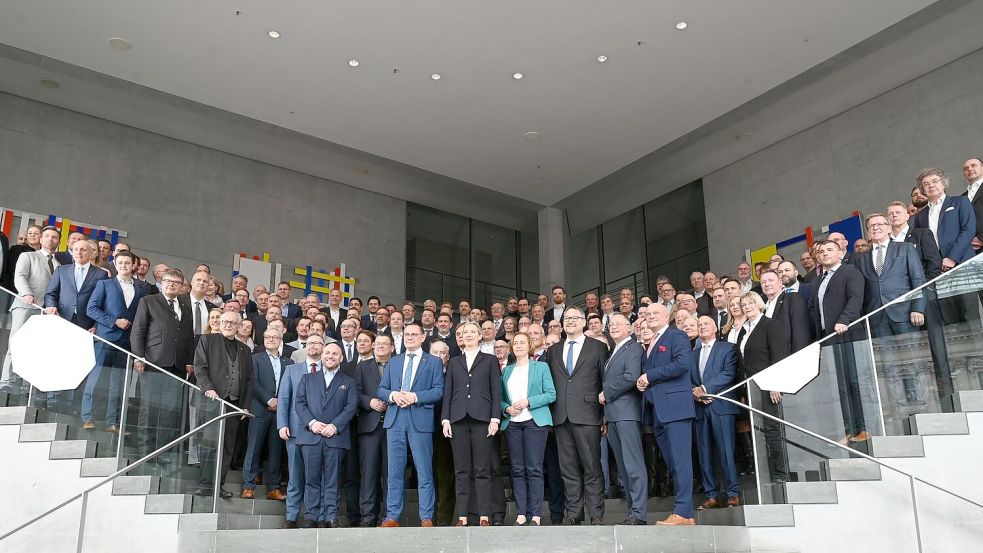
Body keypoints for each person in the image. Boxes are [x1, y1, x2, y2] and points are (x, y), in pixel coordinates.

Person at [377, 322, 445, 527]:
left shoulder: (433, 362)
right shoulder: (394, 362)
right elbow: (381, 390)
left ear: (423, 337)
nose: (410, 337)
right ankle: (392, 517)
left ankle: (426, 516)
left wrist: (415, 397)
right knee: (394, 472)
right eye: (407, 334)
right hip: (395, 419)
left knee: (424, 470)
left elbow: (438, 391)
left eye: (414, 334)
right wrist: (393, 395)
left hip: (420, 419)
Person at [546, 307, 608, 525]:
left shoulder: (598, 347)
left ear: (584, 322)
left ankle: (596, 513)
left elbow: (604, 383)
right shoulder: (553, 350)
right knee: (568, 468)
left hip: (588, 414)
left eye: (575, 318)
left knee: (592, 466)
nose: (570, 321)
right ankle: (573, 514)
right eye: (567, 319)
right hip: (561, 417)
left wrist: (604, 417)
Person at [635, 303, 696, 526]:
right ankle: (685, 513)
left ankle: (682, 512)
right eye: (647, 314)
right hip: (658, 410)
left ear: (666, 316)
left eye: (655, 313)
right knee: (673, 462)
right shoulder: (651, 341)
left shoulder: (676, 336)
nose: (650, 317)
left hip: (675, 408)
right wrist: (644, 383)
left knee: (680, 461)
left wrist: (649, 376)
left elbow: (682, 365)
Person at [441, 321, 502, 526]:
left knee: (482, 469)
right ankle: (463, 516)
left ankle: (484, 515)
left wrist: (495, 418)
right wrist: (445, 419)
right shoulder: (454, 362)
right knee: (461, 470)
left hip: (482, 419)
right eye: (464, 332)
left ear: (479, 336)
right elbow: (448, 392)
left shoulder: (490, 360)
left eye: (472, 332)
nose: (468, 335)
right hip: (457, 419)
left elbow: (496, 391)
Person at [130, 268, 194, 456]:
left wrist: (189, 361)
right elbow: (138, 331)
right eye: (168, 281)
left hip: (178, 366)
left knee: (170, 411)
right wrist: (138, 357)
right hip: (154, 362)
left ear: (182, 286)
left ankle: (162, 451)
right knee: (149, 408)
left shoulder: (186, 308)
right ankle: (145, 450)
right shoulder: (149, 301)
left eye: (176, 282)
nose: (172, 284)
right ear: (162, 282)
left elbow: (189, 337)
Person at [192, 310, 254, 498]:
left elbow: (250, 379)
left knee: (227, 447)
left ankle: (219, 484)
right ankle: (205, 485)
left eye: (232, 323)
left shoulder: (245, 350)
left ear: (238, 326)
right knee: (209, 444)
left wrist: (245, 405)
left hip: (233, 405)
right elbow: (200, 367)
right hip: (211, 401)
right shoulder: (207, 340)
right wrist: (208, 388)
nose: (228, 325)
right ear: (219, 323)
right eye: (225, 321)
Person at [809, 240, 867, 443]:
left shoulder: (850, 272)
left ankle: (864, 427)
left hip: (849, 334)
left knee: (855, 381)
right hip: (829, 339)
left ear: (841, 252)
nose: (825, 254)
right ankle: (850, 429)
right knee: (840, 386)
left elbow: (856, 297)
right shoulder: (816, 282)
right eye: (821, 251)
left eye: (829, 250)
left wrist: (844, 319)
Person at [294, 343, 357, 528]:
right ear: (322, 355)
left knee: (333, 480)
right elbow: (300, 403)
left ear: (341, 358)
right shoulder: (307, 378)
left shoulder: (349, 381)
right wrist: (312, 423)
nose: (330, 356)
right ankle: (311, 516)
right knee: (311, 479)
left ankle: (331, 516)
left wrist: (335, 426)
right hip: (310, 437)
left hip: (335, 438)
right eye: (327, 352)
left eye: (335, 353)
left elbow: (351, 407)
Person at [83, 250, 145, 432]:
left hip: (126, 343)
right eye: (120, 263)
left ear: (133, 265)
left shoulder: (141, 290)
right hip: (105, 339)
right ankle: (88, 417)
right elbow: (91, 309)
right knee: (95, 378)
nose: (124, 266)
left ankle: (113, 422)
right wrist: (114, 321)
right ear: (115, 265)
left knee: (118, 384)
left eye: (127, 263)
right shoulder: (104, 284)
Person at [500, 331, 556, 526]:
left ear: (530, 345)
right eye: (515, 343)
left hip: (535, 422)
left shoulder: (541, 367)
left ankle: (536, 515)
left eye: (522, 342)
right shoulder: (507, 370)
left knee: (534, 468)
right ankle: (521, 513)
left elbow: (551, 394)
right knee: (517, 469)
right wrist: (506, 408)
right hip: (513, 424)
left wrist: (528, 402)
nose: (519, 346)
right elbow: (500, 399)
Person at [598, 314, 648, 525]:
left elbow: (630, 377)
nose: (614, 327)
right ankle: (632, 511)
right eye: (612, 324)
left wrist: (605, 393)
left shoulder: (634, 348)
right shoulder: (613, 352)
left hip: (627, 414)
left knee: (633, 464)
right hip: (613, 416)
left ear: (630, 328)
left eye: (620, 324)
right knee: (624, 467)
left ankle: (639, 513)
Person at [690, 316, 742, 509]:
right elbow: (688, 379)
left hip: (721, 406)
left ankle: (732, 493)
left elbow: (729, 373)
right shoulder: (692, 354)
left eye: (706, 324)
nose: (702, 327)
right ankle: (711, 494)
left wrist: (705, 389)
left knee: (726, 451)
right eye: (699, 325)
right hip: (700, 408)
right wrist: (695, 392)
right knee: (704, 453)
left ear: (715, 328)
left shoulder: (727, 348)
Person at [739, 292, 791, 482]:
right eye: (743, 304)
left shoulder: (770, 325)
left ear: (759, 303)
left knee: (772, 429)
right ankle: (767, 473)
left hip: (768, 386)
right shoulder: (745, 330)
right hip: (752, 388)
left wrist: (775, 384)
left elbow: (779, 356)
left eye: (751, 302)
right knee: (758, 431)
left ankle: (780, 473)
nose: (747, 307)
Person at [278, 334, 326, 528]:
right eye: (311, 343)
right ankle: (291, 516)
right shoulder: (292, 370)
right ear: (305, 346)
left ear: (324, 346)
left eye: (318, 343)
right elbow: (283, 399)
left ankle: (318, 515)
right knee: (295, 476)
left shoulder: (329, 370)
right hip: (296, 430)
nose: (314, 346)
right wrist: (282, 424)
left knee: (319, 476)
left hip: (321, 432)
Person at [241, 329, 291, 501]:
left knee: (276, 451)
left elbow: (290, 386)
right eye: (267, 337)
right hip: (260, 410)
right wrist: (269, 400)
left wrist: (280, 403)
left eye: (274, 337)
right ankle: (248, 486)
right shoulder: (255, 359)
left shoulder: (288, 362)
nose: (271, 339)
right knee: (254, 448)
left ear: (280, 340)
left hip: (280, 413)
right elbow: (253, 382)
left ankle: (274, 488)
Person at [911, 167, 975, 271]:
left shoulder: (960, 202)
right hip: (936, 270)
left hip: (963, 262)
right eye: (926, 184)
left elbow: (968, 230)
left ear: (943, 184)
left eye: (935, 181)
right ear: (923, 190)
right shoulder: (919, 216)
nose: (931, 185)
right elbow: (921, 245)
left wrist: (952, 258)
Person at [759, 269, 811, 352]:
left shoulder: (792, 298)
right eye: (763, 282)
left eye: (771, 280)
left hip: (789, 357)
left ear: (780, 283)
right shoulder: (761, 308)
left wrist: (798, 356)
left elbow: (800, 333)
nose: (767, 284)